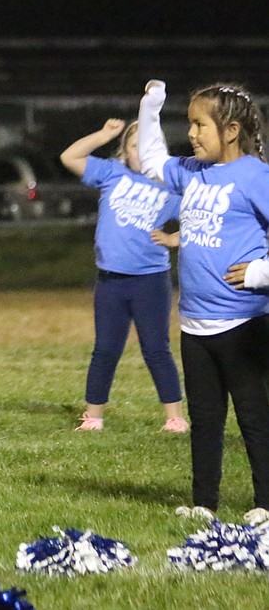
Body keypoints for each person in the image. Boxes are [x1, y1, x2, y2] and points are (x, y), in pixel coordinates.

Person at [138, 80, 269, 524]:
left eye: (200, 124)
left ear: (231, 130)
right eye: (189, 123)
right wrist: (149, 107)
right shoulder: (193, 170)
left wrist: (259, 273)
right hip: (194, 325)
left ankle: (265, 503)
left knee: (255, 420)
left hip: (244, 324)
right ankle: (203, 503)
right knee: (205, 420)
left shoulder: (256, 176)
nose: (191, 133)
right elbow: (153, 161)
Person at [59, 119, 186, 433]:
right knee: (105, 349)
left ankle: (174, 417)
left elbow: (205, 218)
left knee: (156, 348)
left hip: (150, 281)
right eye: (133, 146)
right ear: (125, 152)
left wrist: (174, 239)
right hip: (111, 281)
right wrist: (103, 134)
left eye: (146, 147)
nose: (139, 153)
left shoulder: (169, 185)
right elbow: (69, 157)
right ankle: (94, 417)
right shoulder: (112, 173)